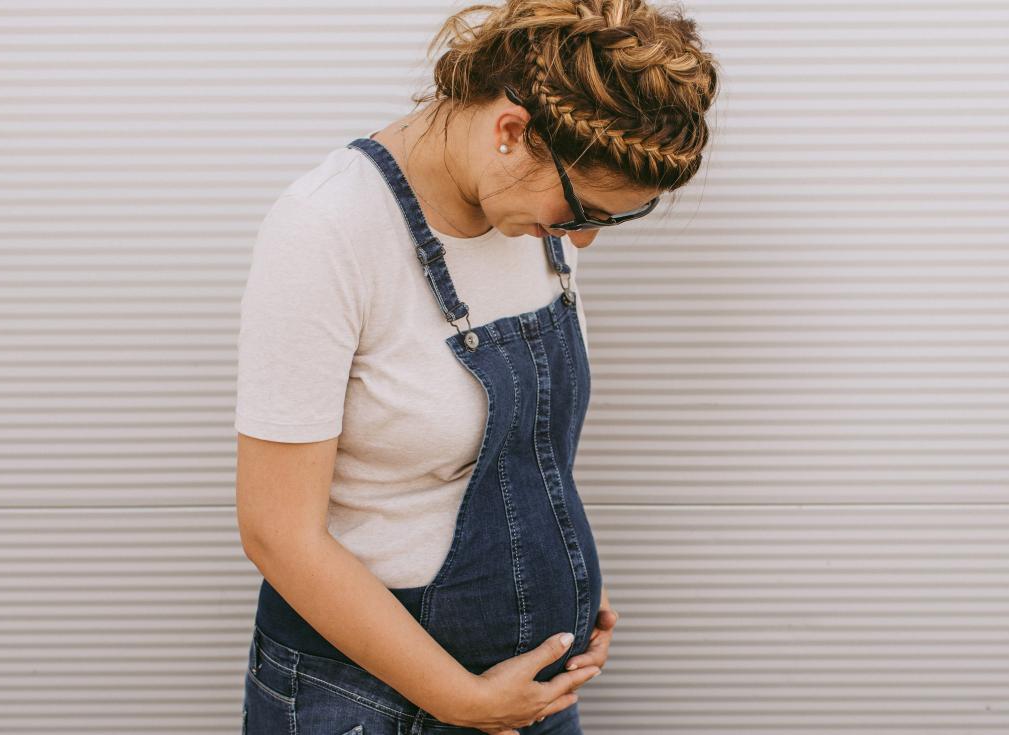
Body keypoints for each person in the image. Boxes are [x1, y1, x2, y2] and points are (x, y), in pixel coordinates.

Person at [234, 1, 718, 733]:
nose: (581, 243)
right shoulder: (327, 228)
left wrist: (569, 576)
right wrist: (463, 700)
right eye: (581, 210)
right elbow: (277, 532)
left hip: (527, 687)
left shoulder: (529, 212)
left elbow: (516, 448)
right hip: (364, 699)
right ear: (513, 133)